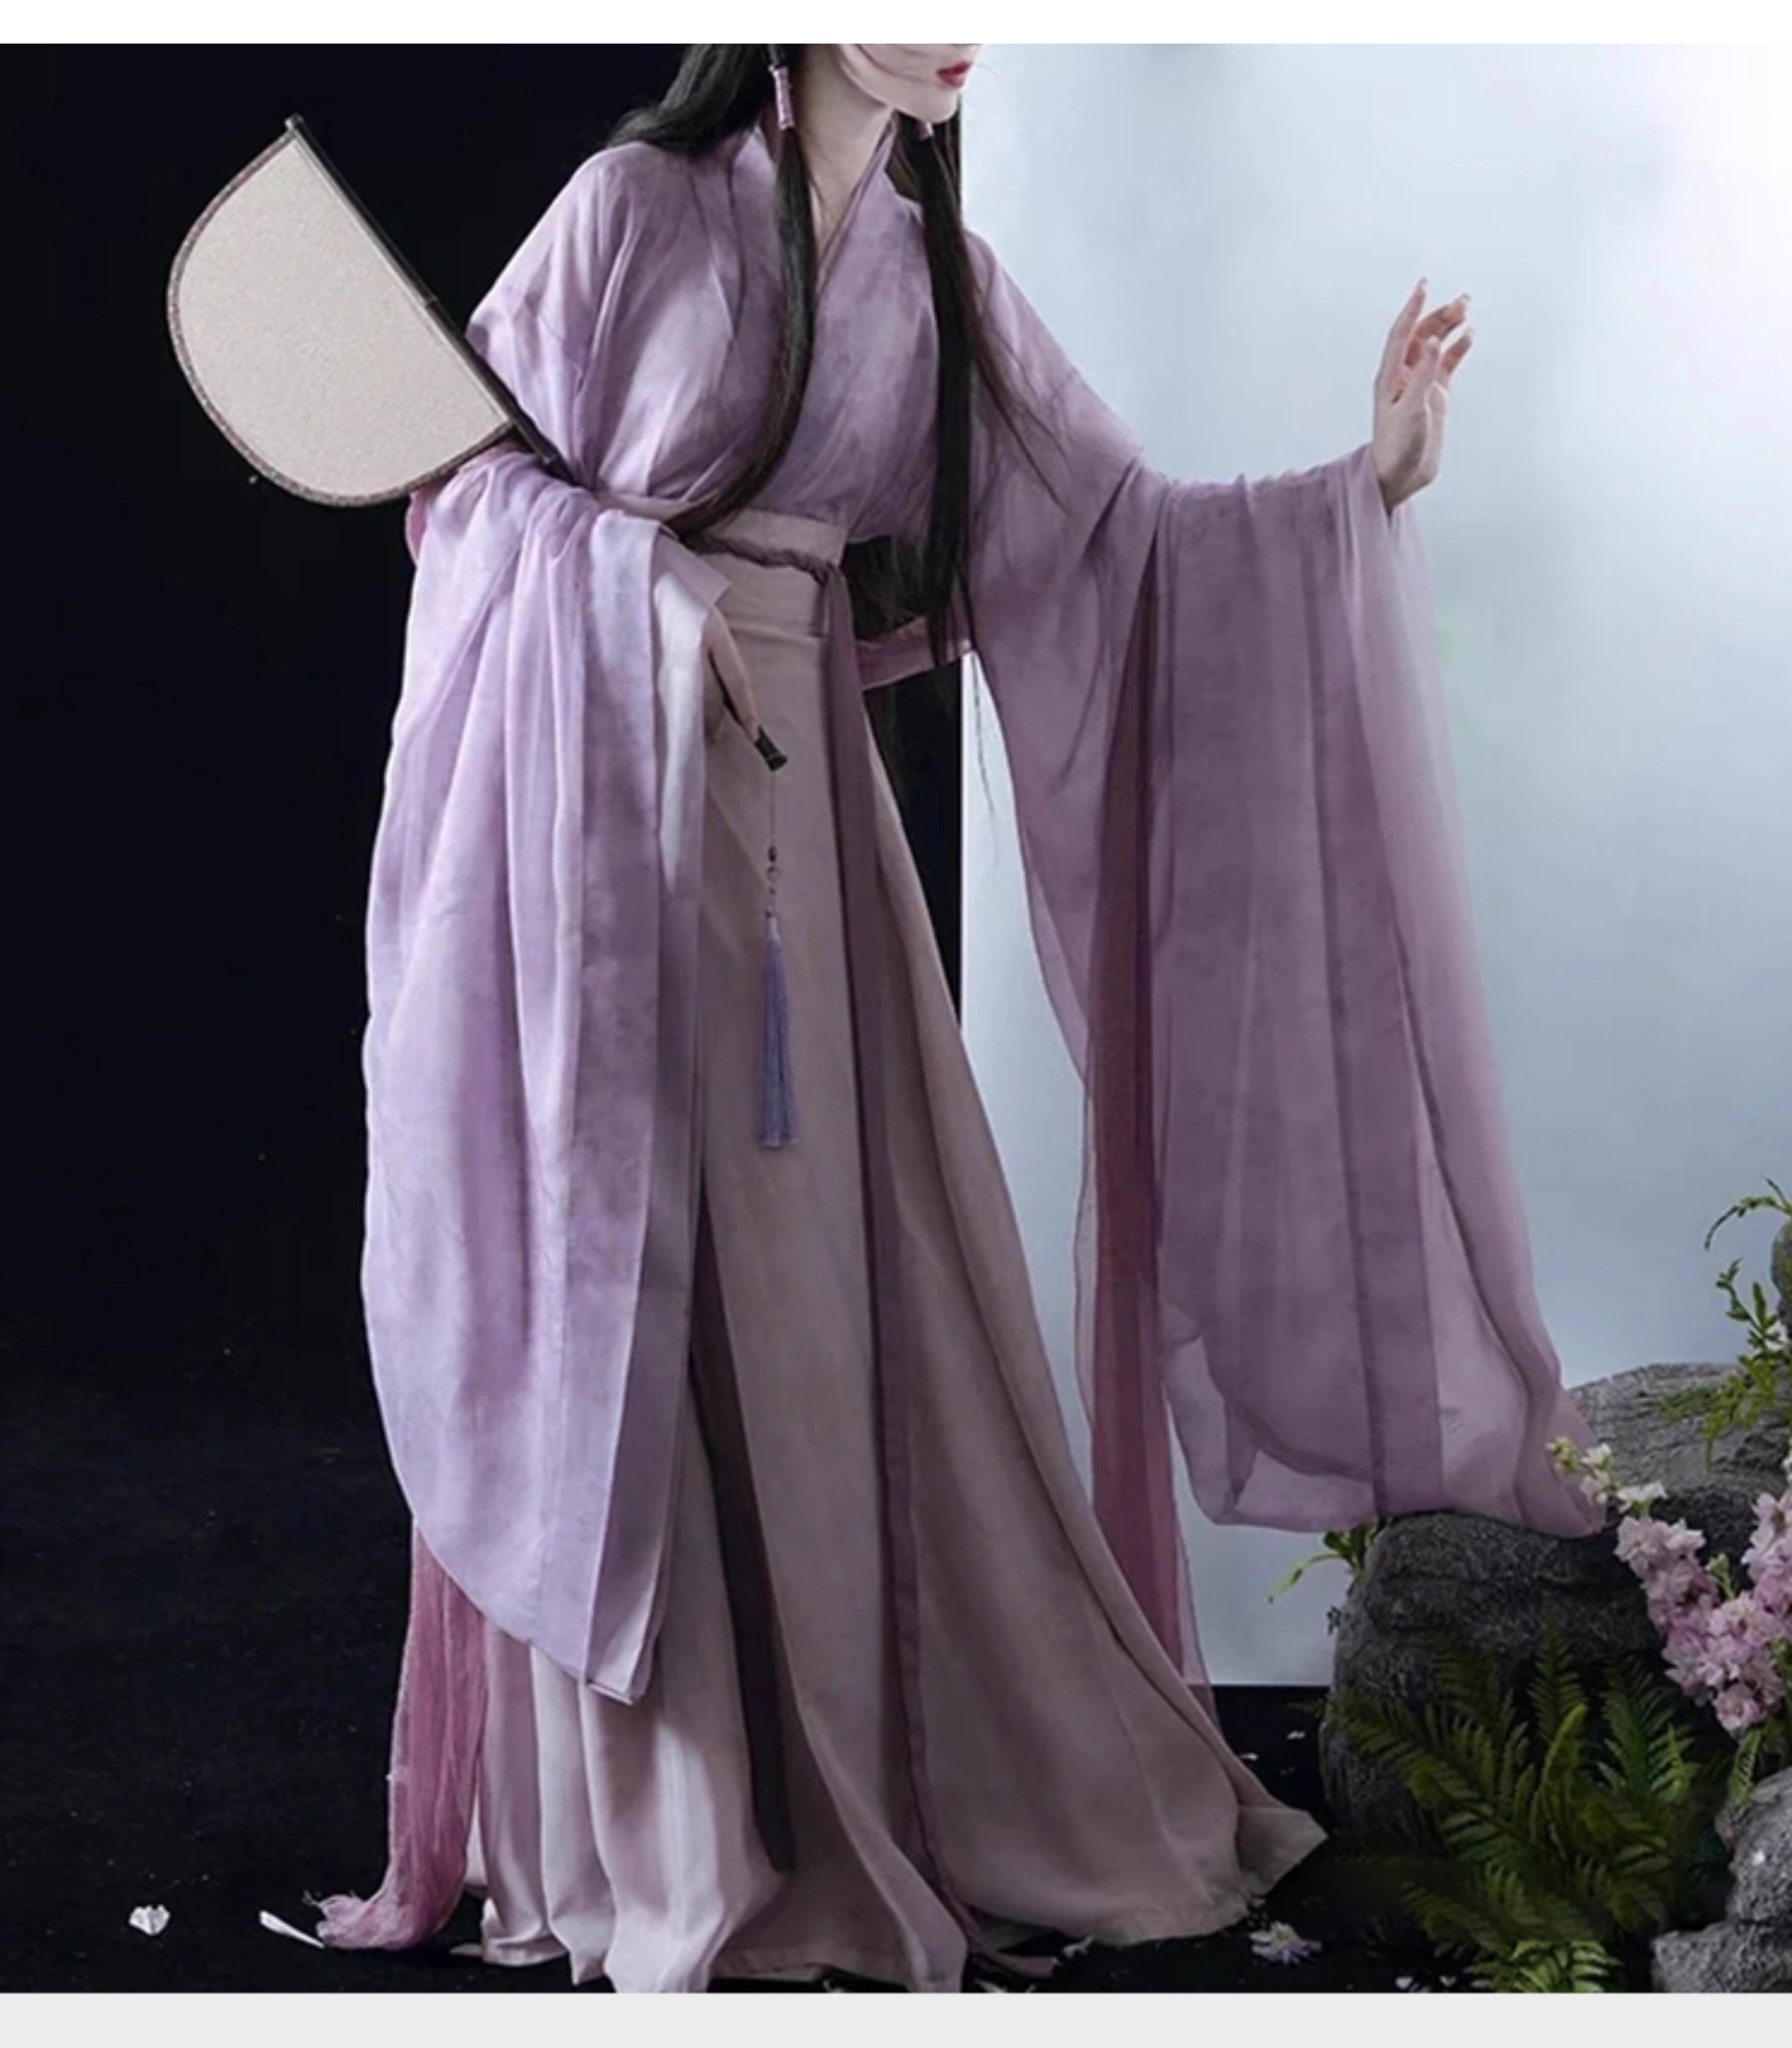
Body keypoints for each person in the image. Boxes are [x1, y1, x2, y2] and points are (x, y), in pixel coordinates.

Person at [315, 42, 1603, 1993]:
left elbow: (1119, 552)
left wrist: (1363, 488)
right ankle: (675, 1817)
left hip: (803, 845)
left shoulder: (940, 275)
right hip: (603, 830)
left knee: (837, 1299)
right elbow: (468, 495)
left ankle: (862, 1778)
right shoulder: (630, 215)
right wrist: (645, 598)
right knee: (640, 1305)